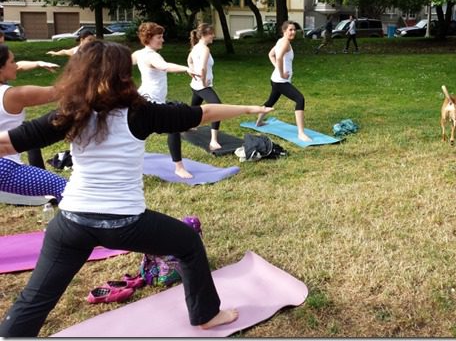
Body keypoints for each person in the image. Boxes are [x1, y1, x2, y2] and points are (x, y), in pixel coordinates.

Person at [0, 40, 273, 337]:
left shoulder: (70, 113)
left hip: (71, 223)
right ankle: (207, 314)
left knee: (35, 299)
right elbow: (204, 113)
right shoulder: (141, 112)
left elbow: (8, 142)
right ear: (122, 75)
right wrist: (249, 107)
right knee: (188, 245)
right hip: (125, 224)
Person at [0, 44, 67, 200]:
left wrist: (37, 63)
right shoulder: (13, 95)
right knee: (65, 189)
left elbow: (20, 67)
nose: (16, 65)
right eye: (12, 61)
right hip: (3, 167)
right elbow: (59, 92)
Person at [132, 22, 193, 178]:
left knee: (135, 133)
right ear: (149, 38)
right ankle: (179, 168)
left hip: (144, 98)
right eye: (159, 37)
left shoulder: (140, 53)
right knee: (174, 126)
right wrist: (186, 68)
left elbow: (124, 61)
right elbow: (164, 66)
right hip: (151, 102)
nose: (162, 40)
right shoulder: (152, 56)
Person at [256, 21, 312, 142]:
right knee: (300, 99)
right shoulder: (285, 43)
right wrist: (281, 73)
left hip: (275, 80)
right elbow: (279, 57)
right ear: (284, 31)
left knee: (271, 101)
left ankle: (259, 122)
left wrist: (277, 68)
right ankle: (301, 133)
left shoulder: (280, 41)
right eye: (290, 30)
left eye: (294, 30)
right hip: (280, 81)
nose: (293, 32)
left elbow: (271, 55)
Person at [188, 23, 223, 151]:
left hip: (195, 86)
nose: (213, 35)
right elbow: (202, 67)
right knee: (217, 107)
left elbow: (189, 61)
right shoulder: (205, 49)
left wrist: (192, 72)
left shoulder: (195, 47)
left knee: (194, 108)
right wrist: (203, 83)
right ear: (203, 35)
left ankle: (188, 125)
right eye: (211, 34)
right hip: (201, 86)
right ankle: (213, 141)